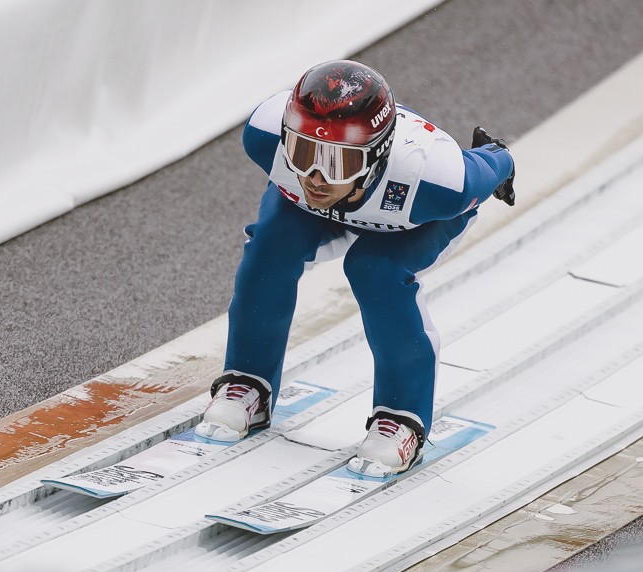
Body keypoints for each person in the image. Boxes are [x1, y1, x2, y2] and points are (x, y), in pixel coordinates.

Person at [194, 60, 515, 477]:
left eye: (337, 162)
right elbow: (312, 177)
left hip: (408, 215)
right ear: (286, 138)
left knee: (375, 271)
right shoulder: (264, 135)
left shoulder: (438, 182)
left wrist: (498, 158)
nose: (315, 177)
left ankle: (401, 418)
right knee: (270, 247)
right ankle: (247, 380)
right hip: (330, 206)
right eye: (303, 152)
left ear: (377, 156)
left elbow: (491, 165)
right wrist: (333, 168)